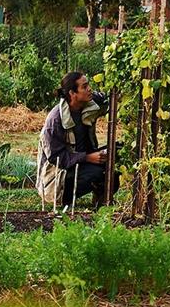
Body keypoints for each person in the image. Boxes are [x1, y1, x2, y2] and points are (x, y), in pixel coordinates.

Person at [36, 71, 117, 208]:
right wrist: (87, 157)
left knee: (117, 153)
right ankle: (66, 198)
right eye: (84, 87)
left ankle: (100, 199)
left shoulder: (87, 104)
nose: (89, 89)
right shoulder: (55, 121)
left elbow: (106, 100)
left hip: (80, 162)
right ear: (72, 94)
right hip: (58, 176)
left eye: (88, 85)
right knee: (103, 173)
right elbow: (57, 158)